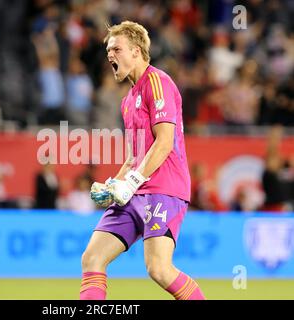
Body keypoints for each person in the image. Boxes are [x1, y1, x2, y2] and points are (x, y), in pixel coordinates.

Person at [82, 21, 205, 300]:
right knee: (92, 258)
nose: (110, 55)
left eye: (116, 49)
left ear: (136, 51)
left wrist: (132, 181)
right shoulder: (127, 101)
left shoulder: (158, 82)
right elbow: (133, 155)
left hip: (165, 187)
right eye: (108, 51)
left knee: (159, 269)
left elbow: (164, 142)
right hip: (134, 192)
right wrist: (114, 184)